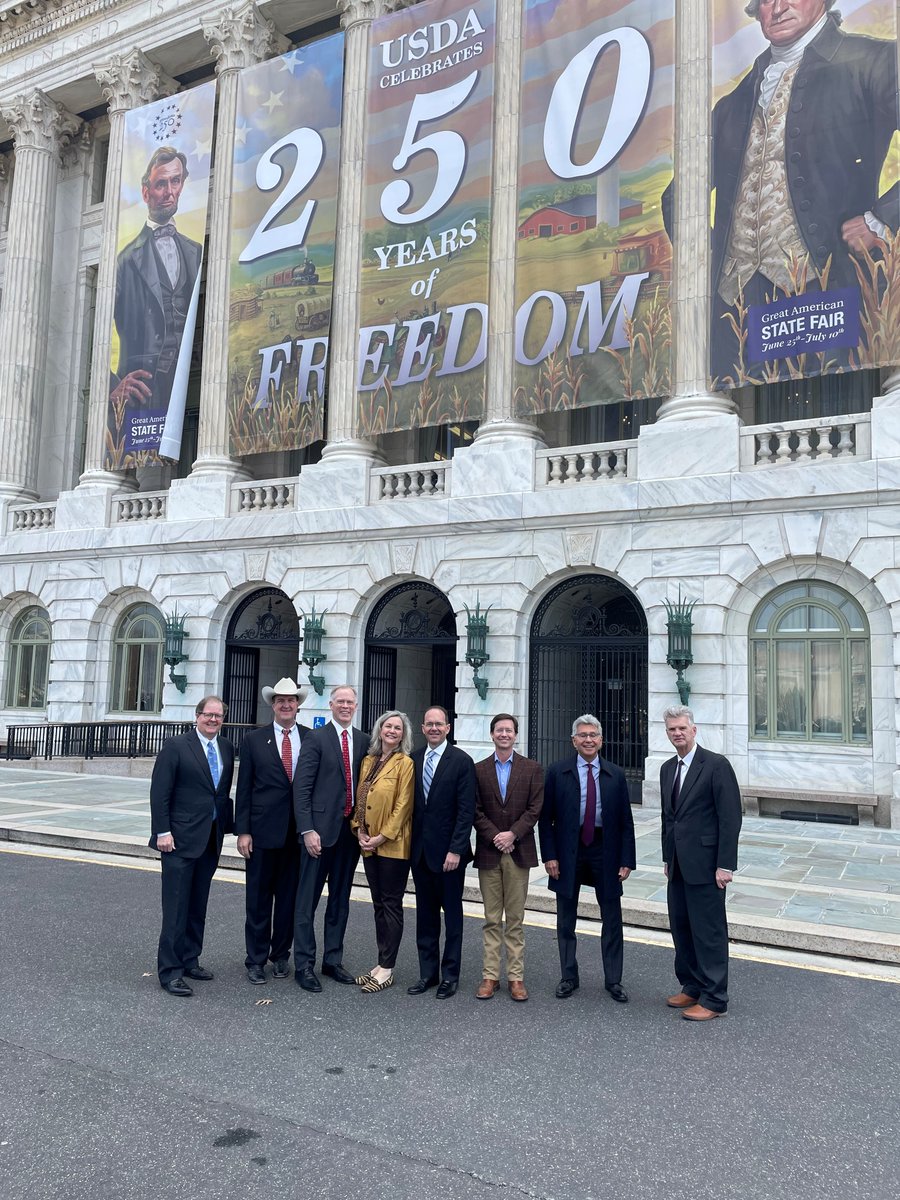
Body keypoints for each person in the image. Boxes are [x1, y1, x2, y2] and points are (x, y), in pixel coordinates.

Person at [708, 0, 899, 380]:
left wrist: (882, 219)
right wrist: (710, 259)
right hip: (738, 303)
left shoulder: (873, 61)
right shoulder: (731, 105)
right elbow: (677, 197)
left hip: (829, 291)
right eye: (765, 1)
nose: (778, 8)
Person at [539, 714, 635, 1003]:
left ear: (601, 740)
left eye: (593, 735)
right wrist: (550, 856)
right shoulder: (557, 772)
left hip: (605, 850)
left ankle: (614, 980)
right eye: (582, 735)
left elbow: (626, 822)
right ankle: (569, 976)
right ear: (573, 741)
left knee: (612, 918)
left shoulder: (615, 774)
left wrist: (626, 859)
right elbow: (546, 820)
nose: (588, 739)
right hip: (569, 850)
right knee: (565, 920)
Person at [111, 146, 203, 429]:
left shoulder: (195, 251)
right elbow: (97, 334)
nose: (169, 191)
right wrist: (110, 387)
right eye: (161, 183)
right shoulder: (125, 259)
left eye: (175, 181)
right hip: (143, 394)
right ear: (145, 191)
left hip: (190, 380)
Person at [660, 705, 742, 1021]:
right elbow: (669, 819)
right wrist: (668, 858)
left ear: (694, 730)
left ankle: (714, 997)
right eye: (671, 729)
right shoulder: (668, 768)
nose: (677, 733)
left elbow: (730, 817)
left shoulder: (716, 766)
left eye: (682, 728)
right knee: (682, 928)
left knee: (708, 932)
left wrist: (725, 865)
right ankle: (691, 985)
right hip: (678, 865)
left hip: (707, 866)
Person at [149, 696, 234, 997]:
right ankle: (170, 972)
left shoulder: (225, 748)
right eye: (208, 715)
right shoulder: (176, 746)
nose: (213, 720)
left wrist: (235, 826)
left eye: (219, 716)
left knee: (198, 905)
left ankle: (189, 960)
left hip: (210, 839)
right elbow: (160, 792)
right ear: (197, 716)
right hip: (178, 840)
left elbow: (221, 795)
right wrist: (162, 831)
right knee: (176, 908)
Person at [234, 677, 311, 984]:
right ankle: (255, 959)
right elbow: (244, 789)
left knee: (289, 900)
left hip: (297, 835)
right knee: (258, 899)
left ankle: (281, 955)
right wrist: (243, 831)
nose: (285, 704)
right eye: (280, 700)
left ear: (298, 705)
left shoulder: (311, 737)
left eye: (291, 700)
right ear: (273, 705)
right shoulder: (254, 740)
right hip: (262, 833)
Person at [292, 684, 365, 992]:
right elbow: (302, 787)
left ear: (356, 706)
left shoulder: (363, 740)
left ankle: (332, 960)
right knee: (306, 901)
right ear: (331, 705)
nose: (345, 706)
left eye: (350, 702)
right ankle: (304, 964)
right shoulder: (316, 739)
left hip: (349, 835)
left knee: (340, 901)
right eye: (340, 702)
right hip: (318, 835)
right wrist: (307, 829)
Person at [472, 713, 543, 1002]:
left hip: (518, 851)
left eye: (509, 730)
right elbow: (474, 809)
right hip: (490, 852)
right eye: (499, 730)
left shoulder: (532, 769)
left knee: (514, 919)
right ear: (492, 735)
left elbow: (535, 808)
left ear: (516, 735)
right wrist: (495, 836)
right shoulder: (478, 770)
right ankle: (490, 976)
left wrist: (512, 834)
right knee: (491, 919)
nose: (504, 734)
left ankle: (516, 978)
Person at [407, 707, 476, 999]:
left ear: (448, 728)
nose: (434, 728)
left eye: (439, 724)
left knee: (453, 917)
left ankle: (450, 975)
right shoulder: (413, 759)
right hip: (420, 854)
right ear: (423, 728)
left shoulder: (461, 761)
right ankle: (428, 974)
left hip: (449, 856)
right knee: (425, 917)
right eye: (429, 724)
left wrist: (456, 850)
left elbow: (466, 811)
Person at [351, 710, 415, 993]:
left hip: (392, 845)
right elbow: (359, 798)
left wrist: (380, 837)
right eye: (387, 726)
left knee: (391, 904)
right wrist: (359, 830)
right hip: (368, 844)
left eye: (397, 728)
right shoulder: (368, 761)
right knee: (378, 904)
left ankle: (387, 968)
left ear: (403, 735)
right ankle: (379, 963)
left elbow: (404, 806)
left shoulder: (405, 764)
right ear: (379, 730)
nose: (392, 731)